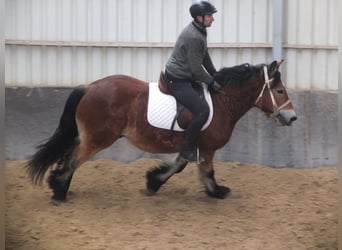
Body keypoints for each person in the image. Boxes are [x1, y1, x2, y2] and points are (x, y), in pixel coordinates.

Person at [164, 0, 221, 162]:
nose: (213, 19)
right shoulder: (194, 35)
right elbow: (196, 69)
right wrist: (211, 82)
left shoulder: (200, 30)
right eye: (210, 15)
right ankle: (186, 149)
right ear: (199, 17)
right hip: (177, 79)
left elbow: (204, 55)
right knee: (203, 111)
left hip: (185, 75)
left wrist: (214, 74)